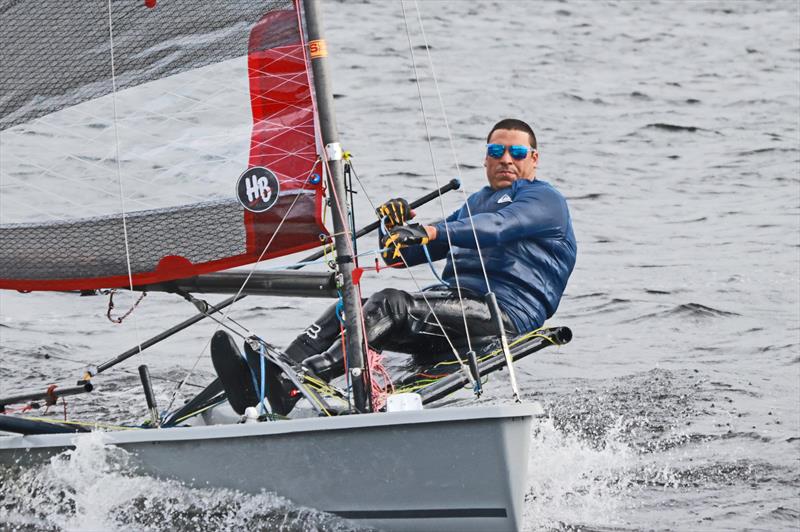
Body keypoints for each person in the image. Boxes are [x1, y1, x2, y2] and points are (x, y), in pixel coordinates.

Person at [274, 118, 577, 410]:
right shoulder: (477, 203)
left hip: (506, 315)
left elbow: (499, 225)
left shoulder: (546, 200)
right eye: (496, 152)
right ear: (485, 159)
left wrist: (431, 230)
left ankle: (307, 378)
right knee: (350, 307)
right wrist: (391, 227)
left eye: (518, 152)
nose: (506, 159)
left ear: (534, 159)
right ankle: (276, 373)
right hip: (456, 308)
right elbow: (399, 257)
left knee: (391, 304)